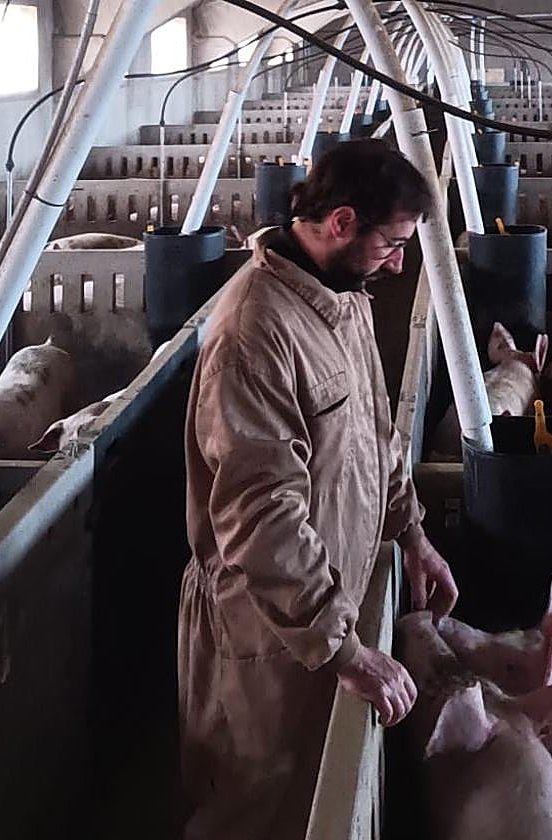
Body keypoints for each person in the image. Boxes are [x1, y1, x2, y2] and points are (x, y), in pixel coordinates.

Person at [178, 139, 459, 840]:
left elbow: (374, 432)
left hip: (323, 604)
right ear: (340, 222)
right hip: (270, 627)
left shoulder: (342, 298)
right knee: (259, 801)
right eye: (391, 244)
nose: (399, 264)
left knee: (312, 798)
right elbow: (261, 516)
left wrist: (411, 532)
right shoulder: (254, 332)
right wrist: (344, 648)